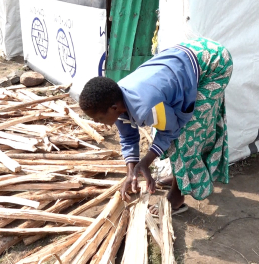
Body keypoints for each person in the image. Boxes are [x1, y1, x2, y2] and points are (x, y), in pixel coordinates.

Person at [79, 37, 233, 215]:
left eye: (98, 118)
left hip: (214, 63)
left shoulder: (146, 107)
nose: (98, 123)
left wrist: (146, 161)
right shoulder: (117, 100)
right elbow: (128, 137)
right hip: (185, 58)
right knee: (176, 126)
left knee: (186, 134)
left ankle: (177, 196)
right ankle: (179, 176)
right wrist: (132, 172)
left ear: (113, 108)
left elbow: (172, 129)